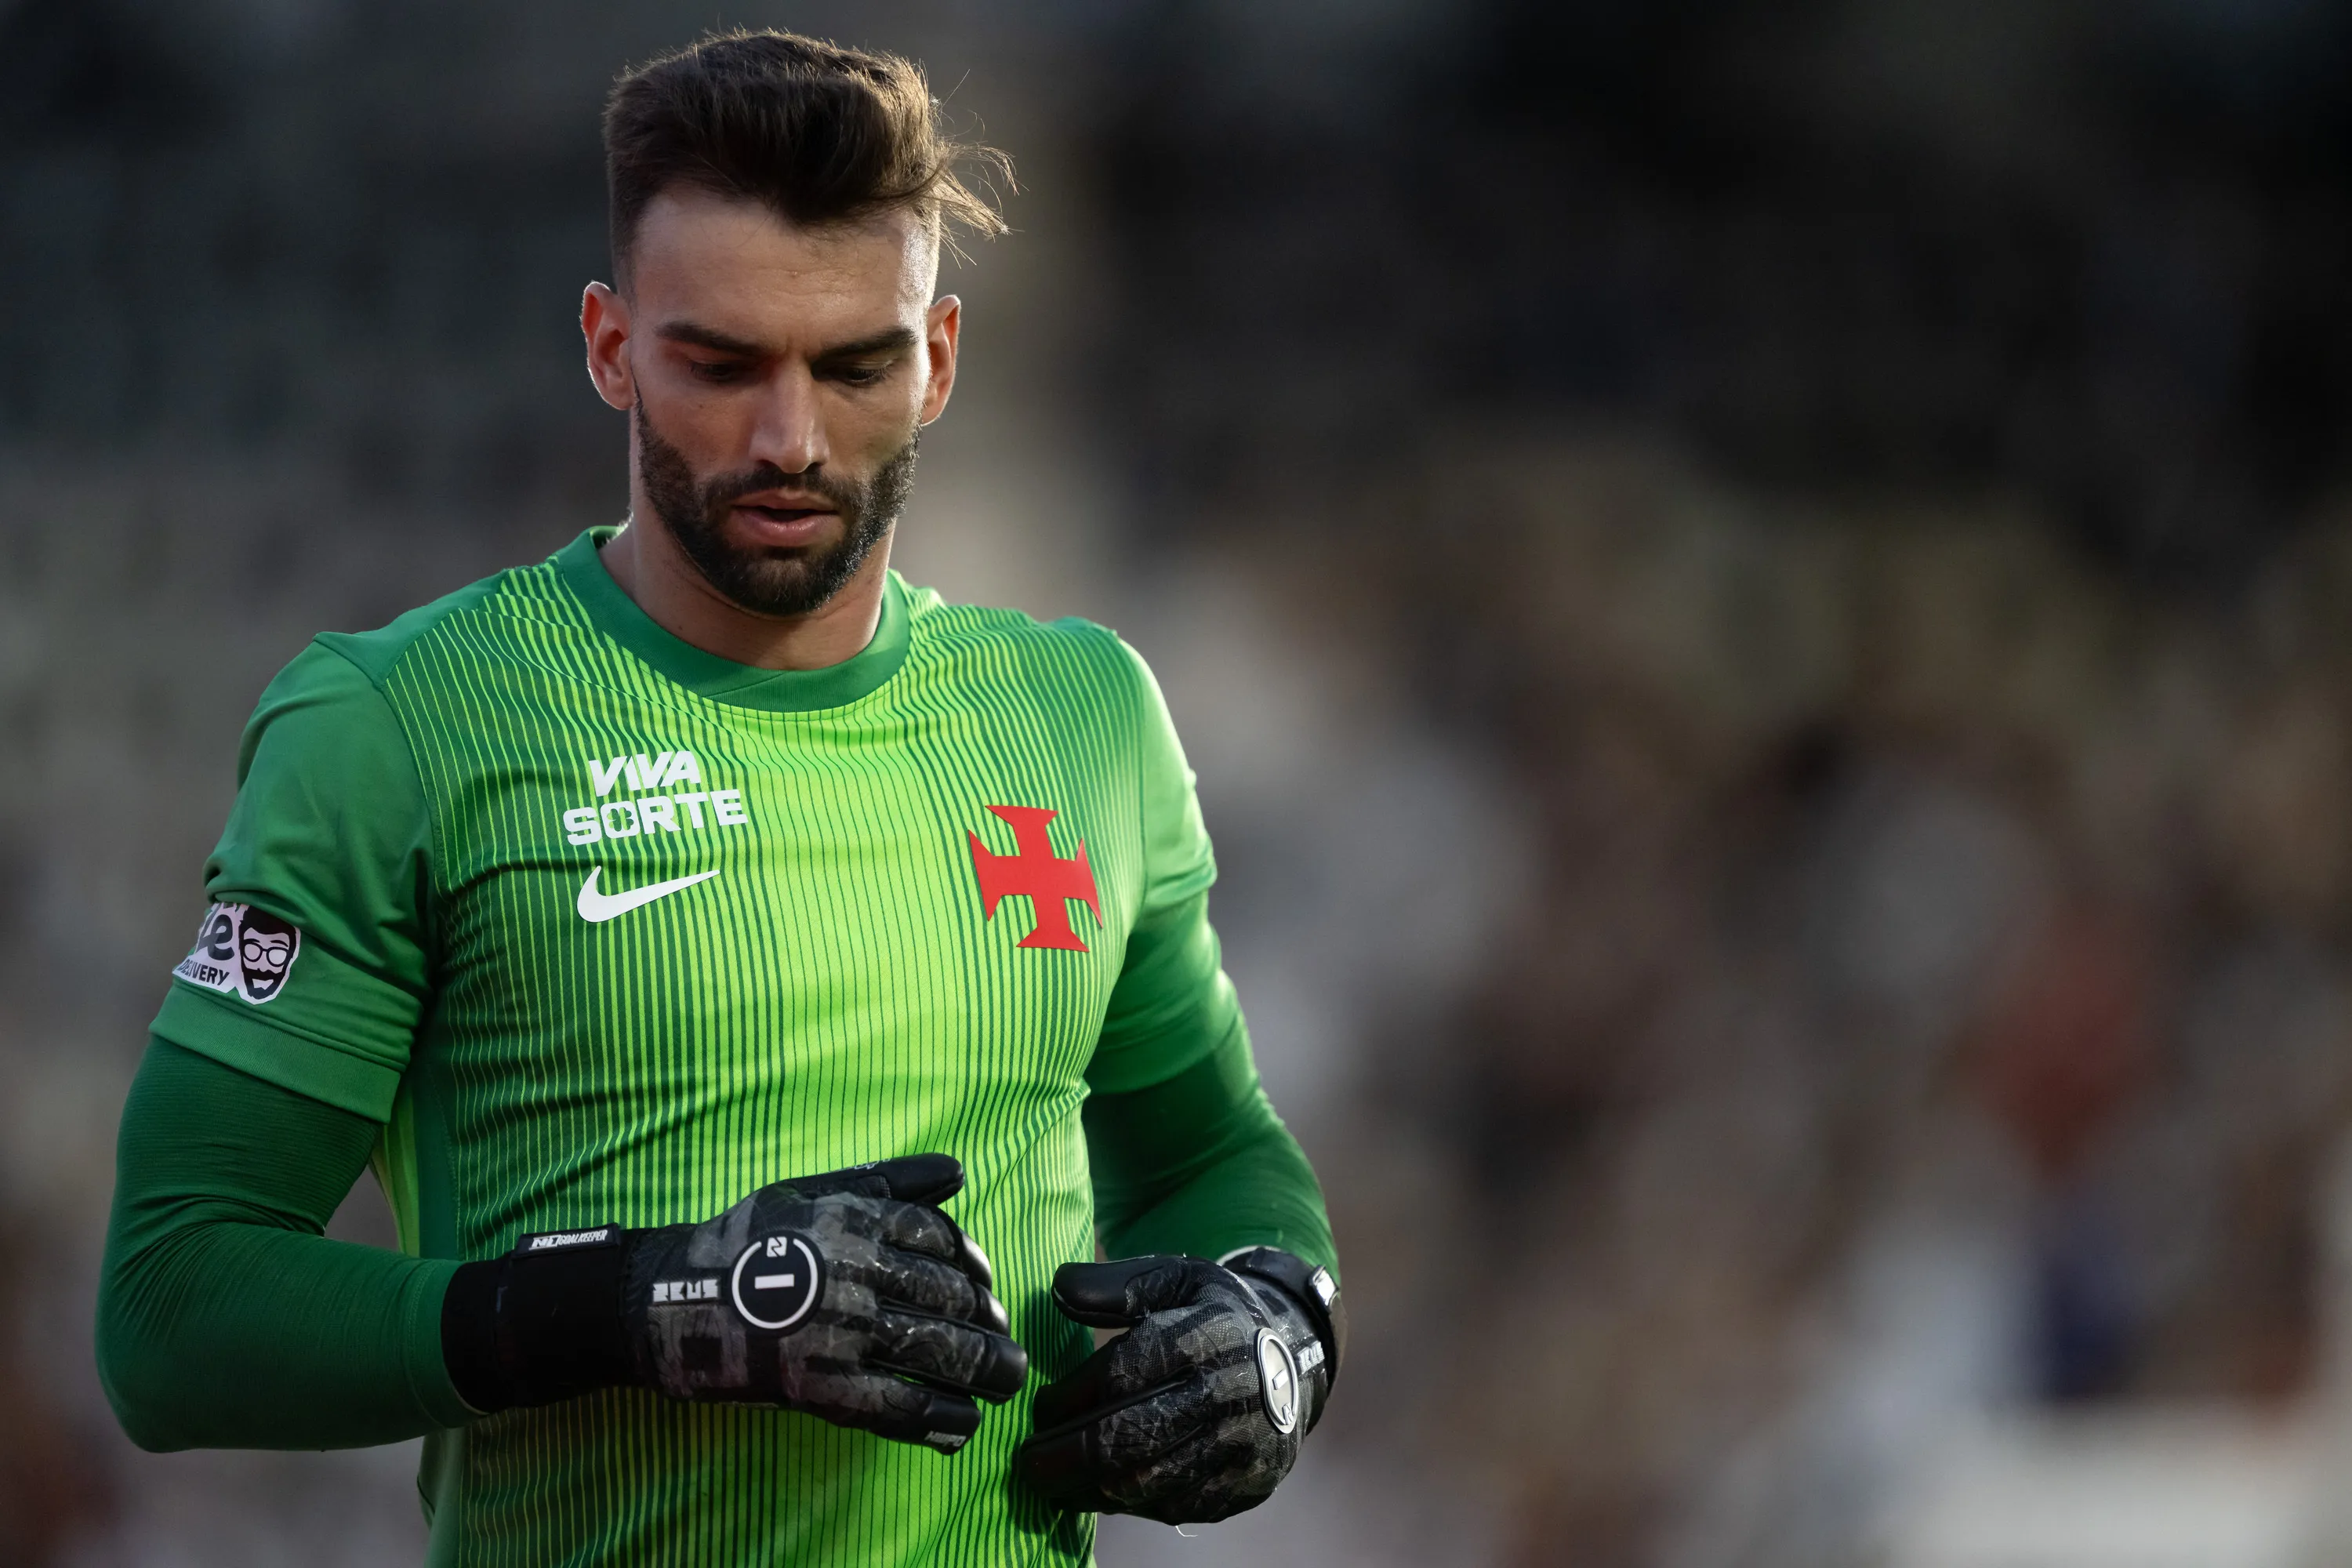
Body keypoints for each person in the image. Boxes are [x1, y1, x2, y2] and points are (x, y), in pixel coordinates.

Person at [94, 29, 1342, 1567]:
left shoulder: (1085, 714)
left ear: (940, 358)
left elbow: (1212, 1150)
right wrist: (639, 1303)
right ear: (611, 346)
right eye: (722, 363)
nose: (789, 440)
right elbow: (170, 1309)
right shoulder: (398, 726)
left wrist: (1276, 1325)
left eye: (855, 365)